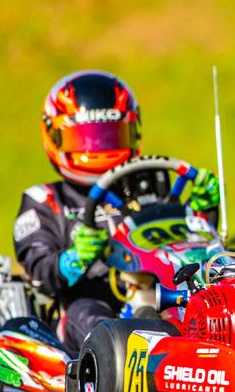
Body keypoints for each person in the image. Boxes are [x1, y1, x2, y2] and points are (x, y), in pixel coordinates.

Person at [12, 70, 220, 350]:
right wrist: (73, 259)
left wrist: (200, 211)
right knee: (87, 315)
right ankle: (114, 355)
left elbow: (186, 248)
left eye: (109, 136)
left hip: (162, 292)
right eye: (85, 138)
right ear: (56, 137)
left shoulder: (150, 185)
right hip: (93, 299)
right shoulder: (46, 201)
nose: (98, 147)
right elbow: (38, 270)